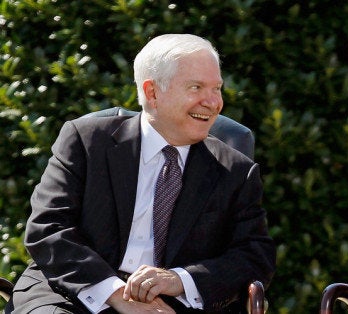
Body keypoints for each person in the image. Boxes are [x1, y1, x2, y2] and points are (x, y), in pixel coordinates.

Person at [6, 34, 276, 313]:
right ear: (152, 93)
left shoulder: (235, 170)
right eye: (196, 87)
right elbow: (48, 228)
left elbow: (255, 257)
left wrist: (180, 280)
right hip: (71, 292)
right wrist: (117, 294)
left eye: (216, 88)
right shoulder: (86, 142)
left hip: (169, 304)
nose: (213, 102)